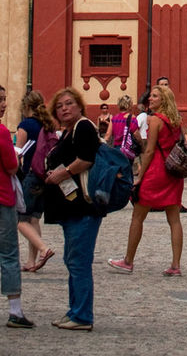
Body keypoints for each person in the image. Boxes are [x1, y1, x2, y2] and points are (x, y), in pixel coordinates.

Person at [108, 83, 185, 275]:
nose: (150, 98)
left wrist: (140, 176)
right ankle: (175, 265)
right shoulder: (175, 121)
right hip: (173, 173)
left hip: (156, 171)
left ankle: (128, 261)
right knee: (174, 219)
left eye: (155, 96)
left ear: (163, 100)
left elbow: (149, 151)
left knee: (138, 216)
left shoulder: (155, 120)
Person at [43, 86, 102, 330]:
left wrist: (63, 173)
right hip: (71, 206)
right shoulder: (67, 132)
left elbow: (86, 159)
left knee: (79, 261)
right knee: (72, 259)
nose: (64, 108)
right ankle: (74, 310)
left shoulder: (83, 127)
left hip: (83, 207)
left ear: (79, 105)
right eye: (59, 106)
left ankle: (82, 316)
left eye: (69, 103)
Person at [1, 84, 34, 329]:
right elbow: (12, 167)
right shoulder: (2, 132)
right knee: (9, 254)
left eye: (4, 99)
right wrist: (16, 158)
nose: (4, 104)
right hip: (2, 198)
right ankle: (15, 311)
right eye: (0, 100)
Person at [15, 89, 56, 272]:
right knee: (33, 220)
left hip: (30, 176)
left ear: (26, 106)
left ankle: (43, 249)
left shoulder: (25, 125)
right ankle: (31, 261)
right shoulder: (46, 124)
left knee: (20, 220)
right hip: (43, 177)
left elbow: (17, 154)